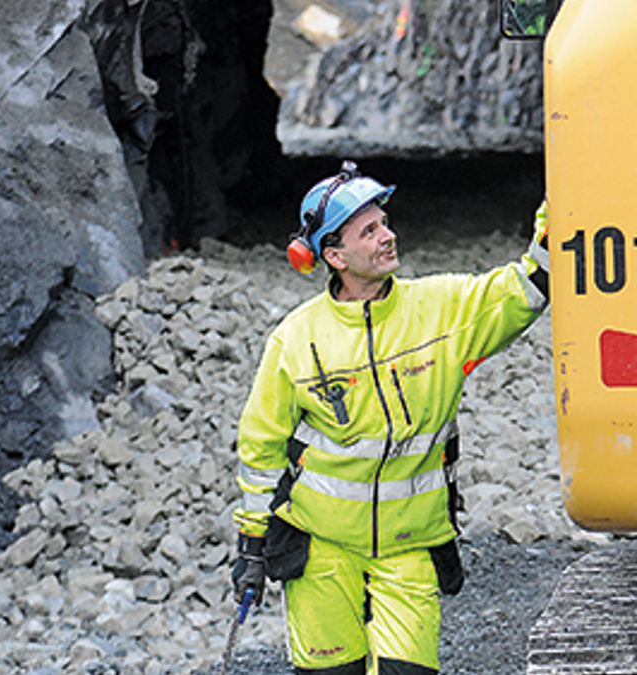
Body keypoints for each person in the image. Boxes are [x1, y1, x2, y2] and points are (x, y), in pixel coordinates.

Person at [228, 160, 549, 675]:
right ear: (334, 255)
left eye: (385, 223)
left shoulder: (442, 310)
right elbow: (261, 450)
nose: (388, 236)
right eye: (369, 230)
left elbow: (528, 289)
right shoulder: (295, 341)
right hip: (321, 552)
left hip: (409, 548)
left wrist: (566, 204)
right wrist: (252, 547)